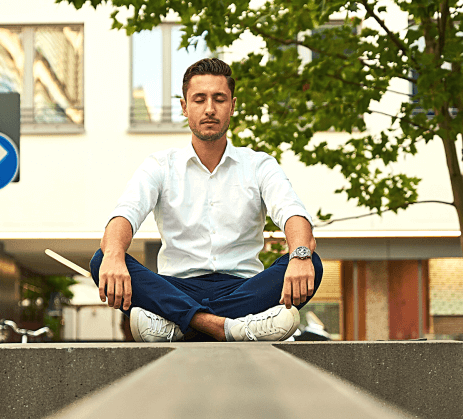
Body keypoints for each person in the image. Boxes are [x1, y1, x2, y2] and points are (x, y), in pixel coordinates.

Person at [90, 58, 323, 342]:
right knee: (102, 258)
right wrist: (113, 255)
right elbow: (125, 215)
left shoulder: (259, 165)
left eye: (219, 99)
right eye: (199, 99)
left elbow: (293, 213)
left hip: (243, 288)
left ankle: (178, 323)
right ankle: (232, 327)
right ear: (184, 106)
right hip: (177, 287)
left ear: (233, 106)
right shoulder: (160, 165)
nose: (210, 109)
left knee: (313, 263)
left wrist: (300, 254)